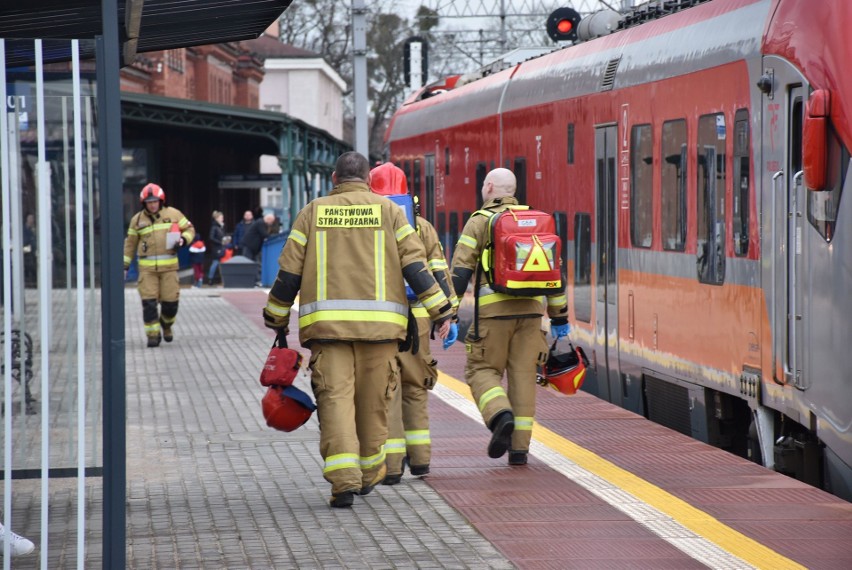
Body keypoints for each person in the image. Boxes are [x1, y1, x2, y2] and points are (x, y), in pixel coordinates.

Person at [263, 151, 454, 509]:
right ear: (368, 180)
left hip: (327, 332)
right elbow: (416, 269)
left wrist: (275, 318)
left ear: (335, 178)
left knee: (335, 402)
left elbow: (287, 274)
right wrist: (442, 312)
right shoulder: (391, 213)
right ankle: (367, 473)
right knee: (373, 404)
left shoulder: (312, 212)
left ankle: (343, 482)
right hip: (380, 333)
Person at [449, 168, 568, 466]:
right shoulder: (539, 223)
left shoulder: (479, 222)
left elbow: (460, 271)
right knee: (524, 378)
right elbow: (555, 277)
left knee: (481, 370)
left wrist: (448, 314)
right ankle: (519, 451)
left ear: (489, 187)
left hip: (492, 317)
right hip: (531, 317)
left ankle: (499, 414)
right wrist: (559, 317)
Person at [367, 163, 459, 486]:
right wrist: (448, 315)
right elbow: (438, 272)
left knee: (386, 392)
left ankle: (392, 467)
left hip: (383, 322)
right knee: (416, 388)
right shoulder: (422, 227)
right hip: (419, 321)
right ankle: (421, 460)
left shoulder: (367, 224)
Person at [123, 183, 195, 348]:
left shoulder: (174, 214)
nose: (153, 204)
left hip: (169, 269)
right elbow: (130, 245)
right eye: (149, 202)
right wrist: (124, 266)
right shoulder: (137, 220)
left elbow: (190, 229)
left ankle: (167, 325)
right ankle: (153, 336)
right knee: (148, 304)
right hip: (147, 271)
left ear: (161, 201)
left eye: (155, 201)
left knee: (171, 305)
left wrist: (184, 239)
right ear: (144, 204)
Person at [207, 210, 226, 285]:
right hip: (216, 248)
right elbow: (211, 237)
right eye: (221, 217)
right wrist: (220, 242)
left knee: (219, 263)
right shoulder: (214, 227)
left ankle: (219, 279)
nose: (222, 218)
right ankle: (210, 279)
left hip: (221, 247)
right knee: (215, 262)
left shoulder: (221, 226)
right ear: (217, 218)